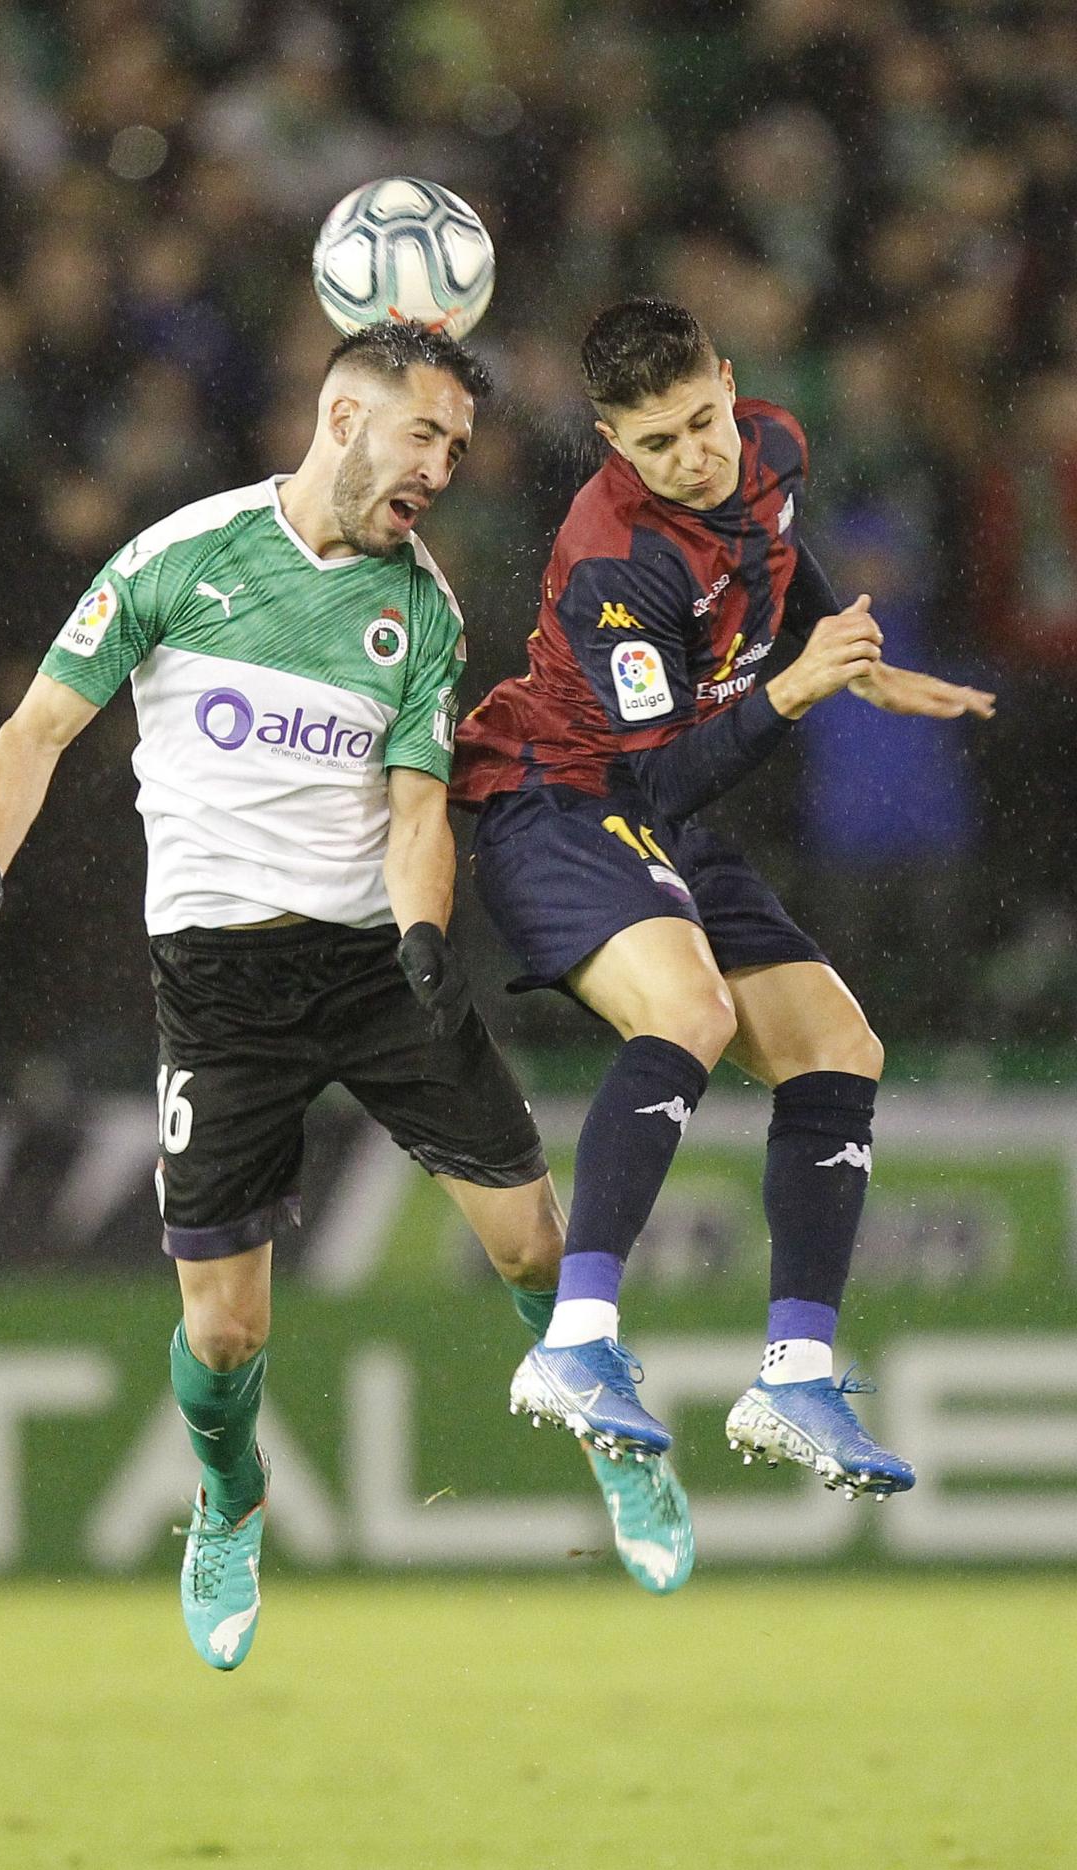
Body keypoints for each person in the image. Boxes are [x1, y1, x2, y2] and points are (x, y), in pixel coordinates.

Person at [0, 321, 692, 1676]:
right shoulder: (179, 557)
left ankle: (616, 1437)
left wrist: (418, 932)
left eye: (458, 446)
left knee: (530, 1244)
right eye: (426, 435)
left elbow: (412, 809)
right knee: (224, 1324)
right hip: (218, 990)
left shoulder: (425, 612)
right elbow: (39, 726)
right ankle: (228, 1506)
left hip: (368, 968)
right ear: (344, 417)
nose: (445, 466)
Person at [454, 298, 996, 1502]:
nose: (692, 456)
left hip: (660, 820)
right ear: (610, 442)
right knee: (687, 1010)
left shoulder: (775, 449)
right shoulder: (616, 557)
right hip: (557, 800)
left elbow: (777, 563)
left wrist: (866, 666)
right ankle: (577, 1344)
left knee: (841, 1049)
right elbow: (658, 772)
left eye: (703, 422)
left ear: (731, 388)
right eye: (656, 444)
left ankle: (796, 1374)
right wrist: (799, 691)